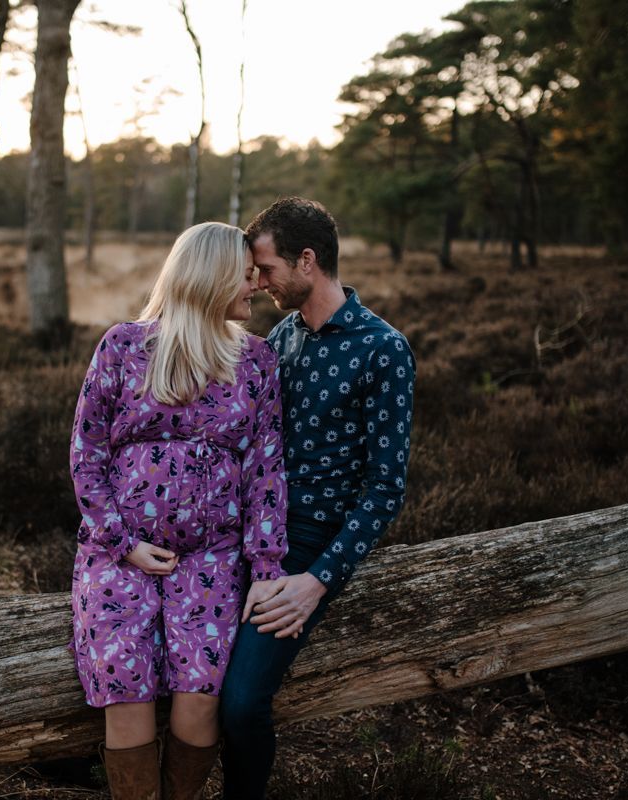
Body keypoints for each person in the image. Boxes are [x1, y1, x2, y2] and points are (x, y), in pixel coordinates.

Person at [69, 221, 290, 800]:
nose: (255, 288)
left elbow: (267, 470)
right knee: (128, 696)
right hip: (120, 558)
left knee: (198, 701)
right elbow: (86, 452)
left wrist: (265, 568)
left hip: (213, 560)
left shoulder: (257, 360)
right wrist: (121, 542)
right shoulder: (123, 345)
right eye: (245, 277)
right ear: (211, 278)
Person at [219, 197, 416, 799]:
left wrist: (317, 580)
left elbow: (385, 488)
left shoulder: (383, 349)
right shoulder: (279, 339)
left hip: (310, 543)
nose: (260, 283)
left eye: (268, 269)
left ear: (308, 260)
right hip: (251, 534)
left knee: (242, 702)